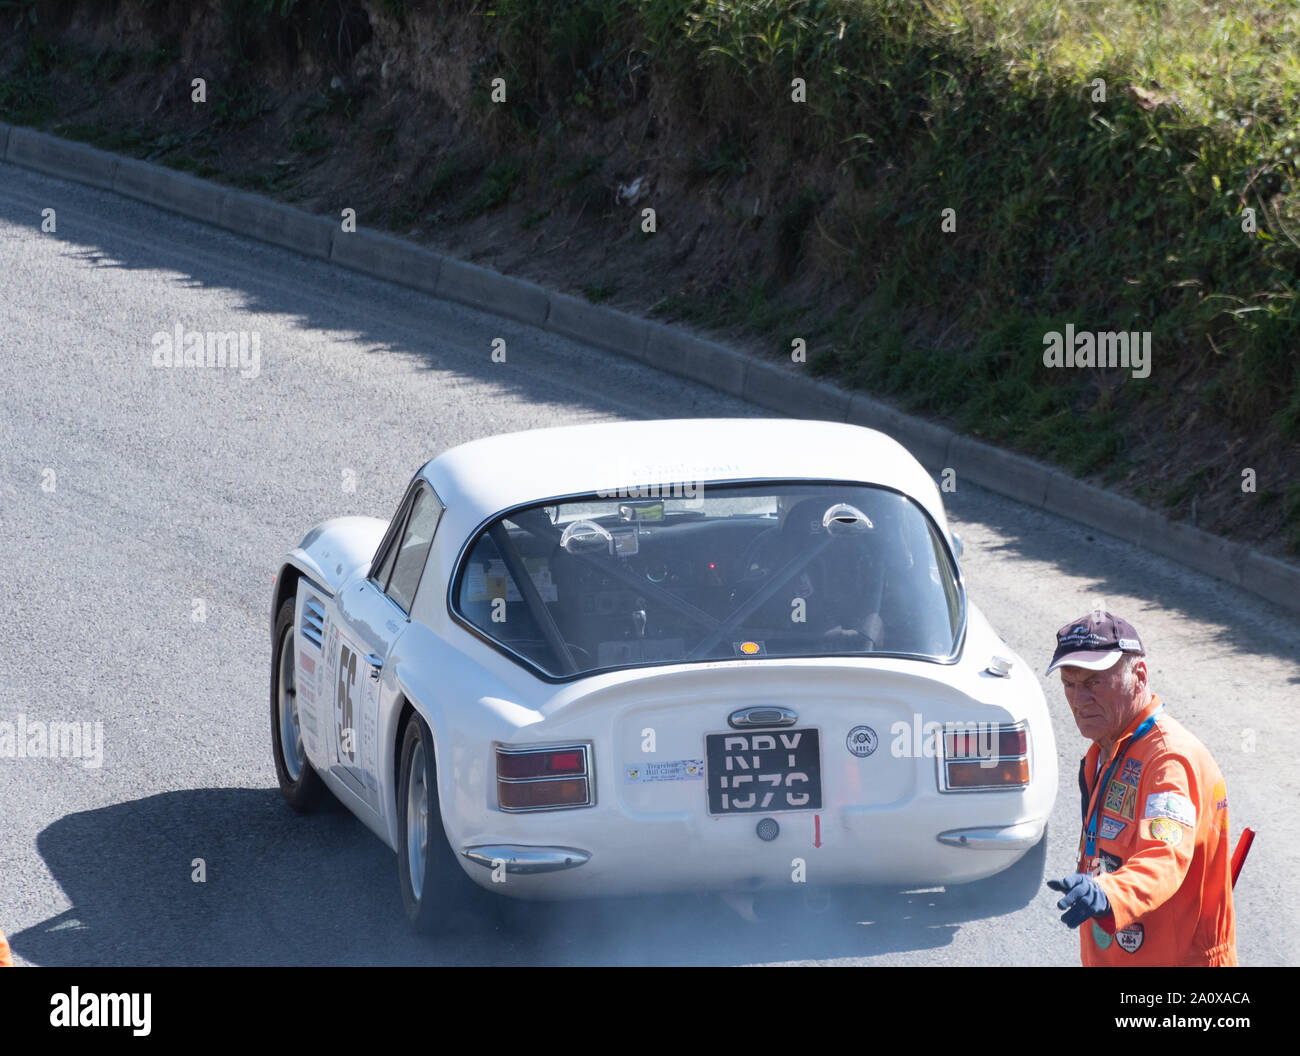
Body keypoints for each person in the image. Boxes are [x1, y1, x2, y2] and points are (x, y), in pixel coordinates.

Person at [1044, 610, 1237, 966]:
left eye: (1094, 682)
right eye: (1069, 684)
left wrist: (1107, 894)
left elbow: (1164, 857)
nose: (1078, 699)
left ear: (1139, 676)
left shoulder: (1168, 760)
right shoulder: (1107, 751)